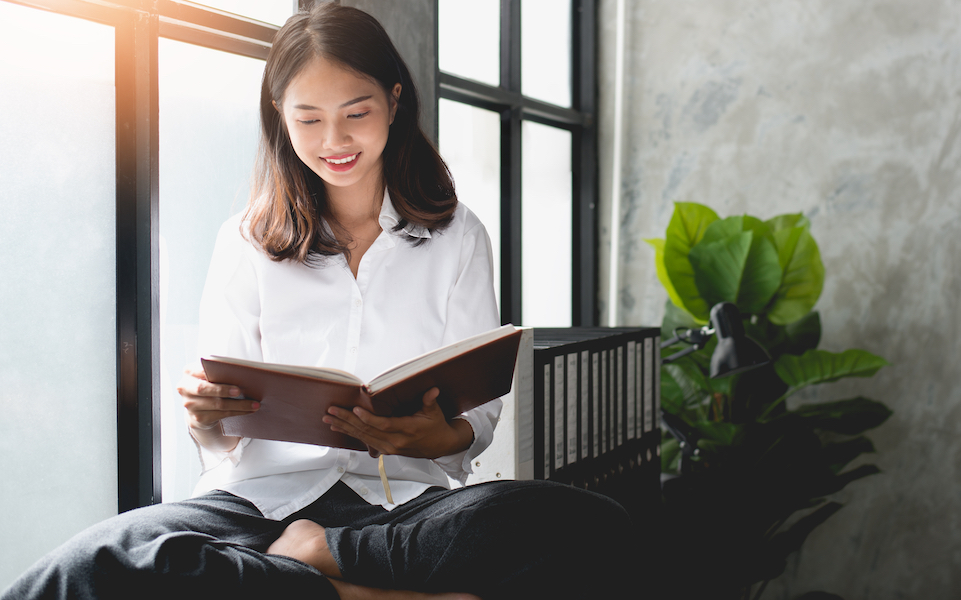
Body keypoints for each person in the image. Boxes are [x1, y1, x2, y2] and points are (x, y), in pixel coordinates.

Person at [1, 5, 634, 600]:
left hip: (403, 509)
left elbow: (476, 417)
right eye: (308, 119)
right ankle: (344, 586)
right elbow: (222, 435)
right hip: (258, 504)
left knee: (588, 524)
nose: (335, 139)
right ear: (280, 114)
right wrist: (204, 419)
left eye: (356, 113)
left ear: (394, 100)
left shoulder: (456, 234)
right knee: (102, 559)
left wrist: (438, 436)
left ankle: (322, 554)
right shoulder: (247, 240)